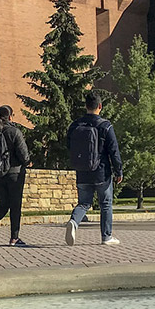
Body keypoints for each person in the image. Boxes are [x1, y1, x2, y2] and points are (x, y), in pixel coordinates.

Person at [64, 92, 123, 246]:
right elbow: (114, 151)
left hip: (82, 171)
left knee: (83, 203)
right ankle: (106, 237)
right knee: (105, 204)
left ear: (86, 106)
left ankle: (74, 222)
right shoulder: (105, 125)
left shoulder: (75, 125)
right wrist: (118, 171)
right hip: (101, 172)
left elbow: (69, 146)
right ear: (100, 106)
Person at [0, 105, 31, 247]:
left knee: (2, 205)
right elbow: (24, 155)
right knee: (15, 206)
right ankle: (14, 238)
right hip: (14, 174)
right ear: (10, 117)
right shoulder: (14, 132)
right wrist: (27, 162)